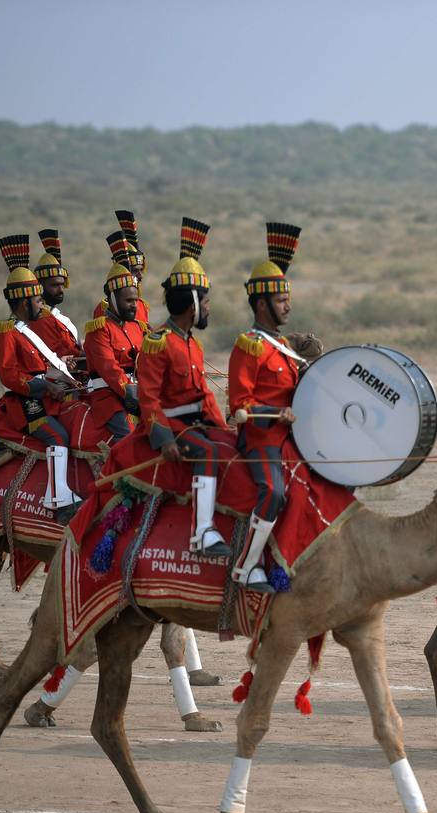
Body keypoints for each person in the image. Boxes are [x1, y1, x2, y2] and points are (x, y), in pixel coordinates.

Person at [135, 217, 231, 557]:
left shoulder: (192, 344)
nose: (208, 308)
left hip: (197, 423)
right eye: (204, 301)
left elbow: (204, 396)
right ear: (191, 303)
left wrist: (224, 427)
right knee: (207, 453)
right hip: (174, 427)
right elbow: (148, 398)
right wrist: (163, 438)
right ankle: (202, 532)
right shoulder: (158, 342)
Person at [227, 222, 305, 592]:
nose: (287, 305)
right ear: (261, 304)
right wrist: (278, 414)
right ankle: (247, 565)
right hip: (260, 441)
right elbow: (240, 405)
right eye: (280, 300)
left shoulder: (283, 344)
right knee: (274, 492)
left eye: (287, 298)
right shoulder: (250, 345)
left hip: (288, 438)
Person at [0, 234, 82, 516]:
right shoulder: (6, 332)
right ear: (23, 301)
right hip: (27, 405)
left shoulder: (27, 329)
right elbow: (10, 376)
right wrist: (43, 387)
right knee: (58, 436)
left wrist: (64, 376)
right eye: (37, 301)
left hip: (47, 395)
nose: (41, 306)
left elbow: (45, 364)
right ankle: (57, 497)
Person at [82, 232, 147, 442]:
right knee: (127, 436)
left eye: (135, 300)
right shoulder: (98, 330)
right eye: (128, 301)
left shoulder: (137, 326)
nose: (134, 306)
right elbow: (109, 370)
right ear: (112, 299)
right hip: (109, 397)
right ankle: (120, 474)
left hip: (136, 391)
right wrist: (132, 392)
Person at [28, 228, 84, 372]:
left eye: (62, 284)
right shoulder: (39, 319)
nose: (61, 289)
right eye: (55, 285)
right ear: (40, 286)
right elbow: (62, 354)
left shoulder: (58, 316)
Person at [94, 209, 150, 324]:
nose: (140, 276)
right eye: (134, 271)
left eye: (141, 270)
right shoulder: (105, 308)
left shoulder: (142, 305)